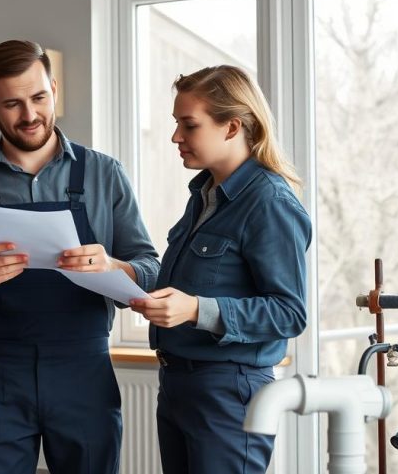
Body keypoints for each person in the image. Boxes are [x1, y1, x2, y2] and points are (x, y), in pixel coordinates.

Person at [0, 40, 160, 474]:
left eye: (39, 97)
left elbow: (152, 272)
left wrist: (114, 267)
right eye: (11, 103)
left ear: (55, 88)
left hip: (83, 369)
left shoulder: (105, 174)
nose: (29, 115)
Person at [129, 65, 311, 474]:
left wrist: (195, 310)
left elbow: (289, 313)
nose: (176, 137)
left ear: (231, 127)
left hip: (229, 392)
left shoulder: (270, 202)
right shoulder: (204, 195)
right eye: (177, 124)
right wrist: (124, 273)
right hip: (178, 385)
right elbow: (193, 284)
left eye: (188, 125)